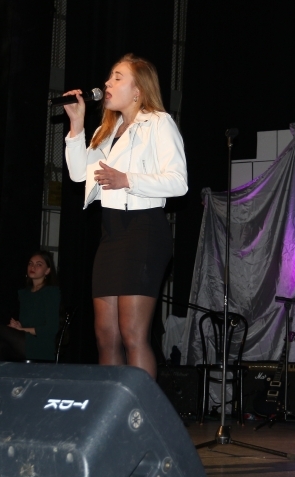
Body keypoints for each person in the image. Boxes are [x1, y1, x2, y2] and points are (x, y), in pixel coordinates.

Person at [62, 53, 188, 379]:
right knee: (106, 336)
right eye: (109, 77)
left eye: (117, 77)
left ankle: (141, 407)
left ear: (138, 90)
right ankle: (114, 406)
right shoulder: (106, 130)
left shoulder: (159, 123)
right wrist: (76, 125)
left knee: (133, 333)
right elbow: (79, 174)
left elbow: (179, 182)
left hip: (144, 231)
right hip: (112, 234)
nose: (107, 82)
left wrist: (127, 179)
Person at [0, 250, 61, 361]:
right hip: (26, 340)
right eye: (30, 263)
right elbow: (29, 322)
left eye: (38, 264)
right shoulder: (25, 294)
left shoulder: (51, 292)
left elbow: (51, 329)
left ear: (47, 271)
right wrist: (18, 326)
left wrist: (22, 329)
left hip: (41, 344)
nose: (33, 267)